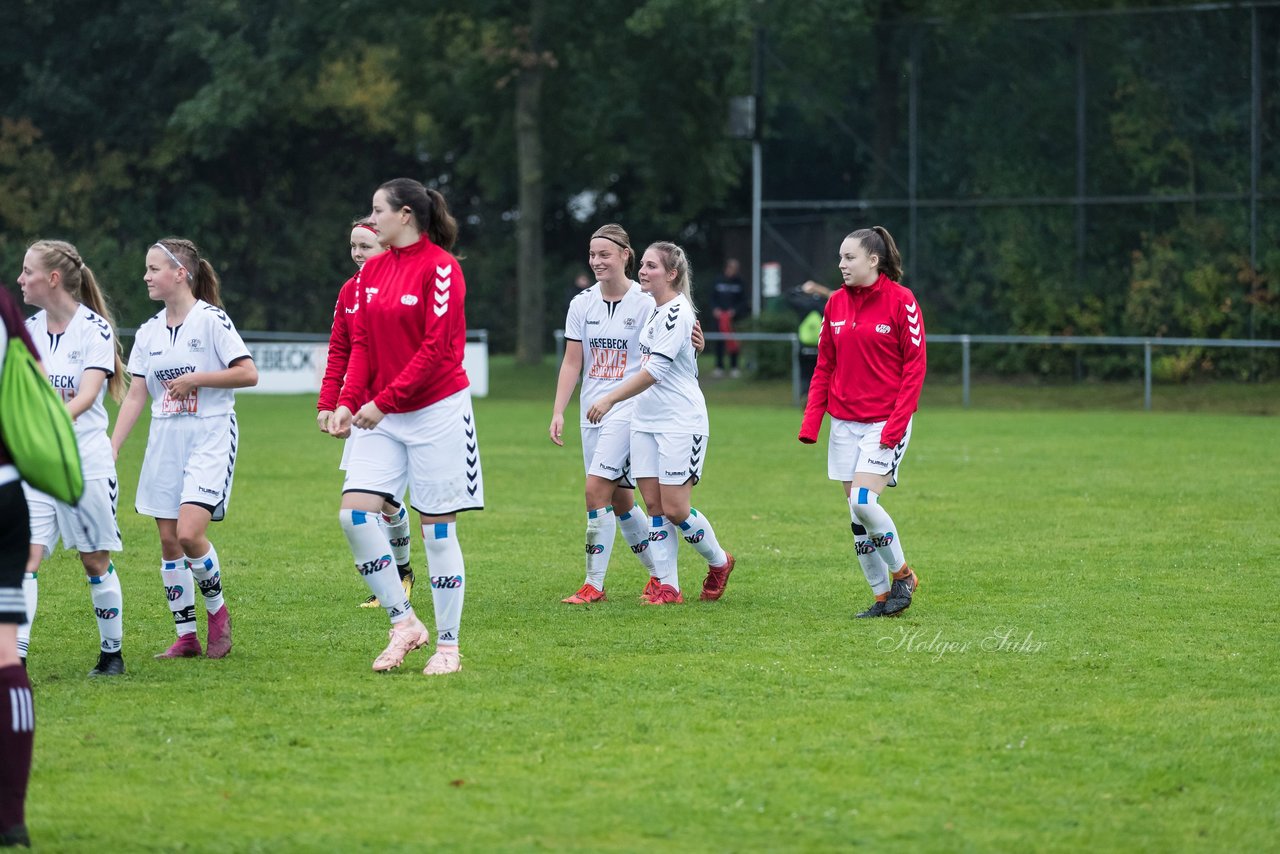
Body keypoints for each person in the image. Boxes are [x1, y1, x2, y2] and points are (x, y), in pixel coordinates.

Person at [330, 178, 482, 676]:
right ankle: (405, 623)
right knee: (355, 516)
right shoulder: (373, 272)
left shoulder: (443, 269)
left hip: (437, 412)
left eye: (378, 212)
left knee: (437, 534)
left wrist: (384, 401)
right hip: (383, 413)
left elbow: (438, 350)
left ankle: (449, 648)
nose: (371, 222)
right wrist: (348, 403)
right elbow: (363, 348)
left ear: (406, 215)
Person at [110, 238, 259, 659]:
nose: (146, 276)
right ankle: (187, 637)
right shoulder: (149, 331)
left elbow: (248, 374)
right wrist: (113, 446)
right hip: (165, 440)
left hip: (210, 434)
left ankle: (218, 615)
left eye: (154, 268)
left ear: (181, 273)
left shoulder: (212, 321)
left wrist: (197, 379)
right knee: (169, 544)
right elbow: (137, 394)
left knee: (190, 534)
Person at [549, 224, 704, 605]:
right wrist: (558, 411)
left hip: (630, 410)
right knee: (620, 501)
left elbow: (673, 346)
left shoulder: (648, 299)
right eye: (592, 254)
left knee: (594, 491)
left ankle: (593, 585)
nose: (596, 261)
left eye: (604, 254)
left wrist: (698, 343)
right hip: (593, 410)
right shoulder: (581, 303)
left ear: (625, 255)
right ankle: (659, 576)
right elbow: (572, 362)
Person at [586, 242, 735, 605]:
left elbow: (654, 371)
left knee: (676, 508)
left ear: (672, 274)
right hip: (645, 420)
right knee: (653, 505)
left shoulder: (676, 313)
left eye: (651, 266)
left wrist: (608, 398)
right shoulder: (654, 309)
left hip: (680, 421)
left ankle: (719, 562)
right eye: (644, 265)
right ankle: (669, 587)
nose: (643, 271)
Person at [797, 226, 926, 617]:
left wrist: (895, 426)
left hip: (885, 421)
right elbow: (824, 365)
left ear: (874, 260)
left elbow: (915, 369)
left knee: (863, 500)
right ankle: (882, 597)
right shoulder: (835, 303)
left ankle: (904, 574)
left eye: (849, 257)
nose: (841, 264)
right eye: (840, 257)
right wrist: (812, 422)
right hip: (844, 423)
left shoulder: (901, 301)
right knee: (856, 517)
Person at [16, 241, 129, 677]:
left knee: (93, 559)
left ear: (53, 279)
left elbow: (86, 395)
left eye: (28, 272)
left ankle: (112, 654)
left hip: (85, 462)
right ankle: (16, 660)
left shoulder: (93, 330)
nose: (21, 279)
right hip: (39, 463)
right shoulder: (25, 330)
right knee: (24, 557)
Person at [317, 218, 416, 609]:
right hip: (364, 410)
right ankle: (398, 580)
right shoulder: (349, 291)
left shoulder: (410, 285)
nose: (358, 254)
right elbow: (340, 349)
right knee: (378, 503)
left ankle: (402, 578)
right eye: (353, 246)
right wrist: (329, 404)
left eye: (366, 246)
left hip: (407, 409)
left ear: (387, 246)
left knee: (394, 504)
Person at [0, 287, 38, 848]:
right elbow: (34, 391)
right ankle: (10, 818)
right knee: (6, 654)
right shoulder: (4, 305)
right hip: (6, 494)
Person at [710, 258, 748, 378]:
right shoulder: (718, 280)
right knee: (719, 342)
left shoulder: (740, 282)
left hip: (733, 320)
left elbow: (744, 301)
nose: (733, 271)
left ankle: (734, 366)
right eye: (732, 268)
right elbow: (712, 298)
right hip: (719, 318)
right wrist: (715, 309)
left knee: (733, 342)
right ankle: (719, 366)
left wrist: (735, 311)